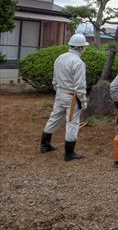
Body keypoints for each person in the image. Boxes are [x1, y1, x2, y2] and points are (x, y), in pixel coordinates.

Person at [40, 33, 88, 161]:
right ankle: (69, 153)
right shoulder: (78, 62)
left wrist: (59, 91)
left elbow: (54, 81)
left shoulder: (59, 58)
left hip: (60, 93)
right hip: (72, 97)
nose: (84, 49)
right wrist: (83, 101)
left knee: (54, 118)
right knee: (72, 123)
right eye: (83, 47)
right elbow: (80, 86)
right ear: (80, 48)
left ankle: (45, 145)